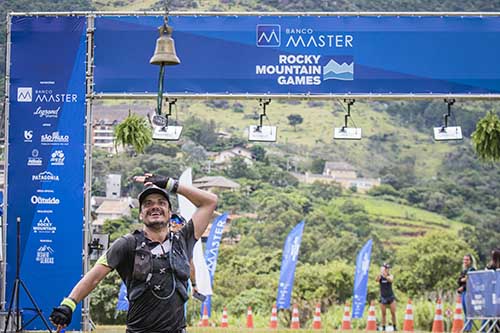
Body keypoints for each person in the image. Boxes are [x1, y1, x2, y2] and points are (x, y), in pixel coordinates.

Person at [49, 173, 218, 333]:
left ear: (170, 212)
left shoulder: (183, 239)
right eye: (148, 204)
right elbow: (94, 277)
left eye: (161, 202)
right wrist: (68, 304)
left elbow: (210, 201)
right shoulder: (127, 244)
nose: (155, 207)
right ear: (140, 214)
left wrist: (170, 184)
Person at [457, 254, 476, 332]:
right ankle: (466, 328)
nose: (465, 261)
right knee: (465, 312)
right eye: (464, 259)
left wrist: (463, 284)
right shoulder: (464, 270)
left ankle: (468, 328)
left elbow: (471, 281)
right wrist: (463, 279)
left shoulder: (472, 270)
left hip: (469, 293)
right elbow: (459, 281)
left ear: (470, 261)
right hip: (463, 293)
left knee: (469, 312)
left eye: (467, 260)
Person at [376, 263, 397, 331]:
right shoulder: (381, 277)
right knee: (383, 314)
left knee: (393, 313)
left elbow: (390, 280)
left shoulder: (390, 275)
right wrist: (380, 273)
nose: (387, 270)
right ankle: (384, 327)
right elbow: (376, 280)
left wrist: (385, 275)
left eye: (388, 268)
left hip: (390, 296)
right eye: (386, 268)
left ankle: (394, 327)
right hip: (383, 297)